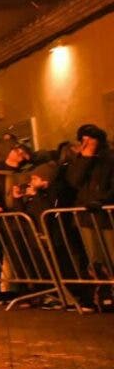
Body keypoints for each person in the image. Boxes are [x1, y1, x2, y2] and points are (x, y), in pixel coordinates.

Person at [63, 124, 114, 304]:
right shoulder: (80, 160)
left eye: (90, 139)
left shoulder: (109, 158)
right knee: (95, 258)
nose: (87, 143)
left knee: (111, 254)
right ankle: (103, 293)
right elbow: (74, 181)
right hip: (86, 216)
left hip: (106, 214)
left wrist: (103, 201)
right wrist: (85, 158)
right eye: (83, 139)